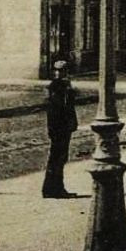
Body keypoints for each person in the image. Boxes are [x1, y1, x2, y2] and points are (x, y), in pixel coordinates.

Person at [43, 60, 79, 198]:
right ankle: (55, 190)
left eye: (61, 71)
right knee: (58, 158)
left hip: (60, 127)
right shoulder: (57, 87)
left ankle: (52, 189)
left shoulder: (61, 86)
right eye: (57, 71)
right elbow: (58, 109)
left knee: (57, 158)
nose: (59, 73)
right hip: (60, 128)